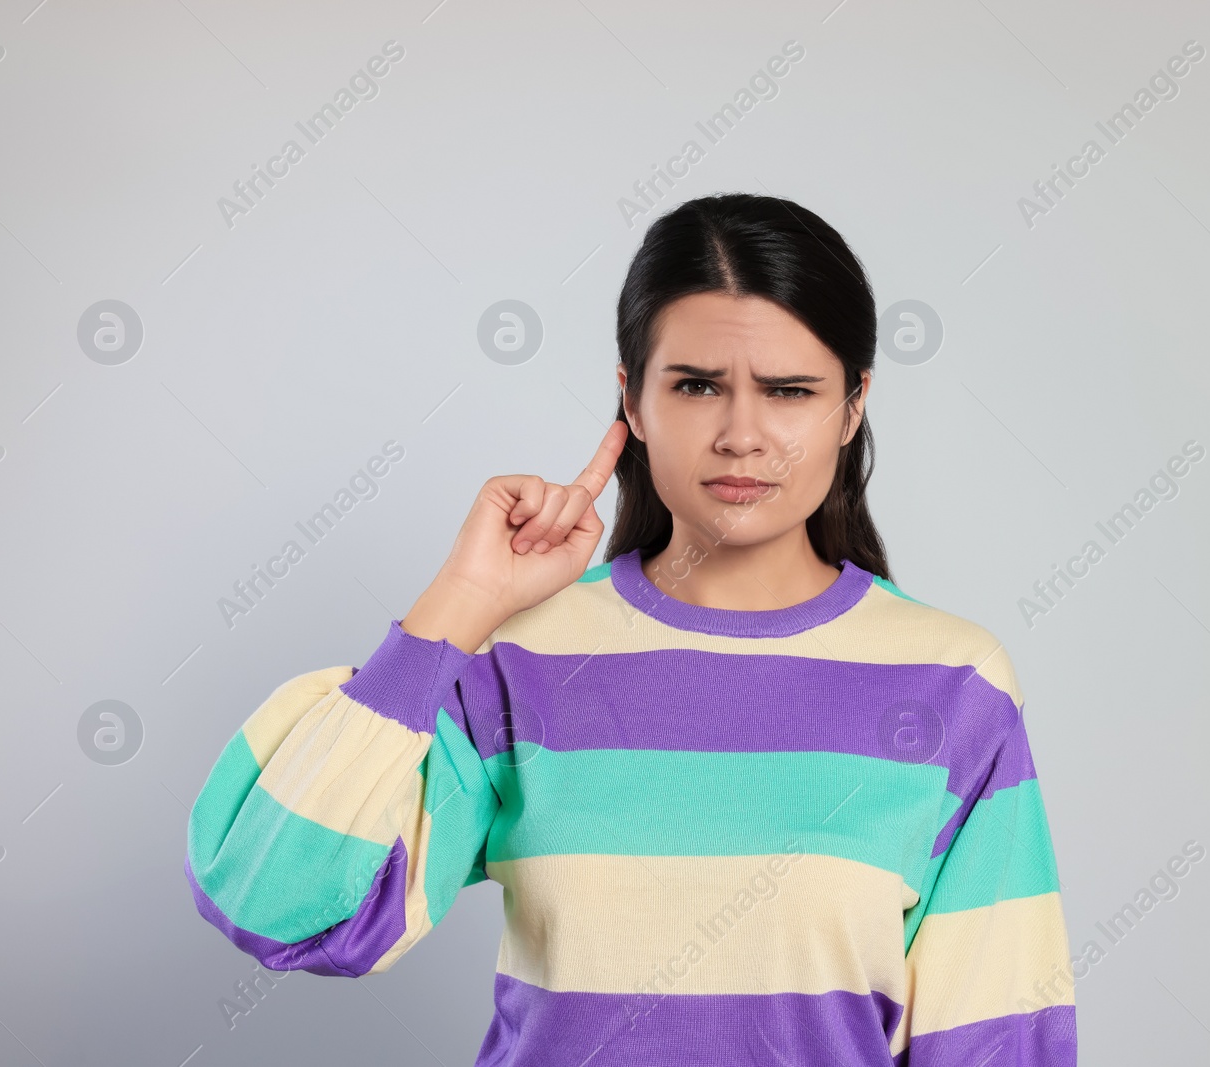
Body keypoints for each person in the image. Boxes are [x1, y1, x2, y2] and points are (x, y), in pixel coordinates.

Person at [185, 192, 1076, 1065]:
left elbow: (999, 1040)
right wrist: (459, 601)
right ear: (633, 402)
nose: (741, 434)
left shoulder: (952, 682)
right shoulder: (521, 657)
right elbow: (276, 904)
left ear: (852, 406)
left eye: (791, 390)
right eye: (695, 385)